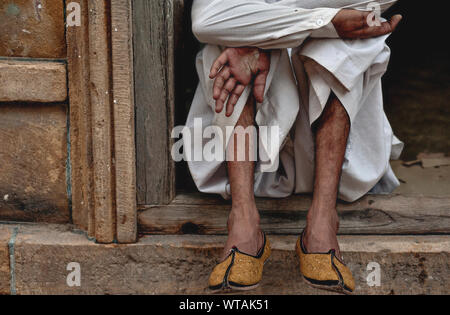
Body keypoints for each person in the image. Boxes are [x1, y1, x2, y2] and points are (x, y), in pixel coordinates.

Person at [184, 0, 403, 293]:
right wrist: (326, 21)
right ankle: (244, 220)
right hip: (259, 158)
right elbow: (205, 19)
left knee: (349, 40)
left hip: (327, 154)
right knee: (226, 47)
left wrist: (253, 28)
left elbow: (377, 4)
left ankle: (323, 219)